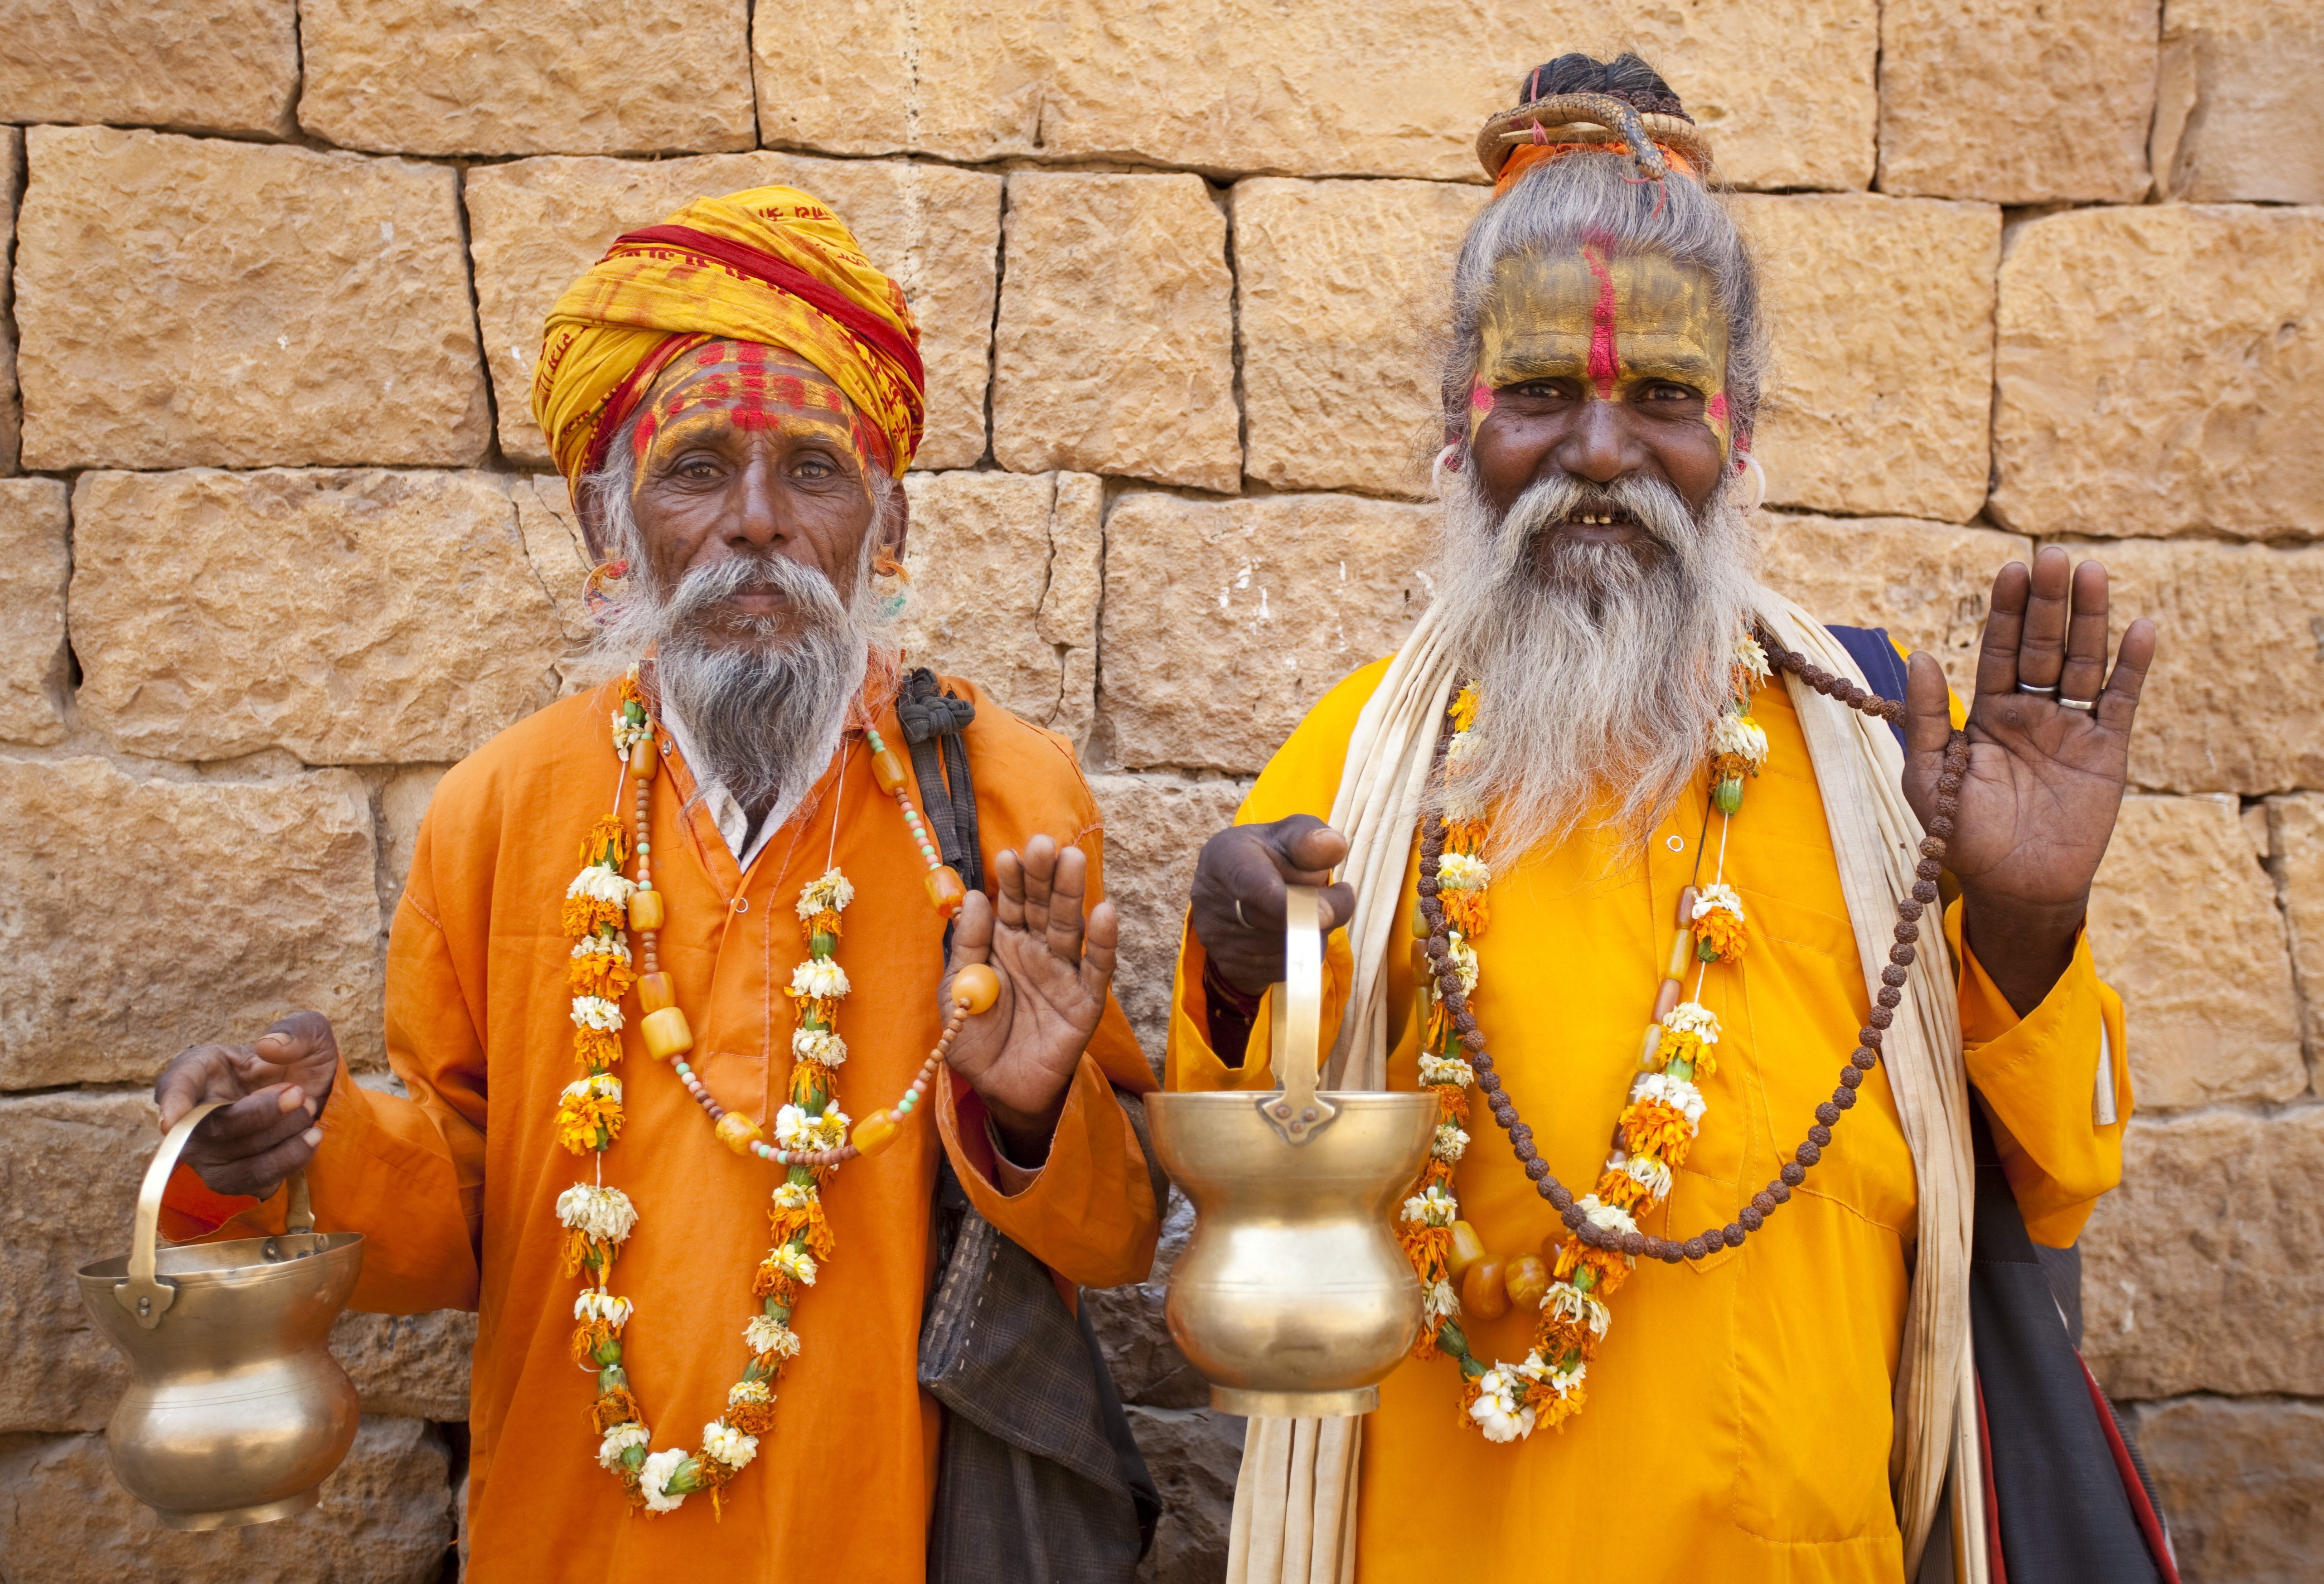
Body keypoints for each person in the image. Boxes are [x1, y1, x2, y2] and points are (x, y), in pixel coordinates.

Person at [1170, 55, 2158, 1584]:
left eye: (1666, 399)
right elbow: (1245, 1197)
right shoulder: (1365, 752)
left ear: (1741, 432)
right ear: (1460, 426)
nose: (1604, 456)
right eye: (1543, 396)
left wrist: (2024, 922)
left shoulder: (1879, 746)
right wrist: (1248, 971)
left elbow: (2061, 1184)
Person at [151, 186, 1160, 1579]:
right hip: (575, 1528)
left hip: (882, 1529)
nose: (758, 523)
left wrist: (1036, 1110)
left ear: (893, 521)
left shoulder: (1001, 799)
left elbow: (1114, 1242)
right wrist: (289, 1151)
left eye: (815, 470)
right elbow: (456, 1225)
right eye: (696, 471)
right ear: (602, 519)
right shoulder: (501, 810)